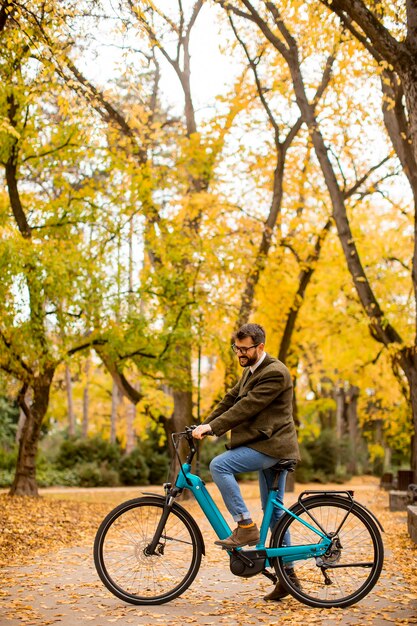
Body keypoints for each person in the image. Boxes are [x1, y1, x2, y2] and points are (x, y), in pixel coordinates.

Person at [192, 323, 301, 601]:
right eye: (236, 348)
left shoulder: (275, 373)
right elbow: (231, 399)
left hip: (272, 446)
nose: (239, 353)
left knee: (220, 465)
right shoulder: (250, 371)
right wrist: (206, 423)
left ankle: (245, 526)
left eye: (245, 349)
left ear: (260, 347)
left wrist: (213, 429)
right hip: (263, 443)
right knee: (274, 512)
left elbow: (246, 407)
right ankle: (289, 579)